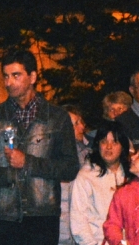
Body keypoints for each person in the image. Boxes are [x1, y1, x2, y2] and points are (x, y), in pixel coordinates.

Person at [0, 50, 80, 245]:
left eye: (16, 75)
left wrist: (28, 163)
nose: (8, 82)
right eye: (5, 76)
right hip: (4, 217)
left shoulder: (57, 117)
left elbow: (70, 168)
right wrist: (5, 173)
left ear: (33, 77)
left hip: (43, 217)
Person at [69, 122, 130, 245]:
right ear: (98, 145)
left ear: (123, 146)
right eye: (104, 141)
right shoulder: (86, 176)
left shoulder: (132, 176)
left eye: (114, 142)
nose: (108, 147)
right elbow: (78, 219)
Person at [58, 105, 91, 245]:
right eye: (75, 124)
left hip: (83, 231)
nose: (82, 127)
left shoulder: (89, 154)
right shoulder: (52, 156)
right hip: (60, 232)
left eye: (81, 122)